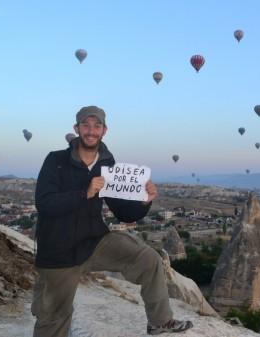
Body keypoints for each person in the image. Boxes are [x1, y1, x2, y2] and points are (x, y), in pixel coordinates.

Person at [32, 106, 193, 336]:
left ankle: (160, 322)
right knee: (53, 317)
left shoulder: (107, 164)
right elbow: (44, 203)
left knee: (148, 259)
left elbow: (123, 213)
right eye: (86, 125)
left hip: (94, 242)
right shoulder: (56, 160)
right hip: (59, 251)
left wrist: (144, 201)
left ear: (104, 130)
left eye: (97, 126)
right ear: (76, 129)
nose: (91, 131)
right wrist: (83, 193)